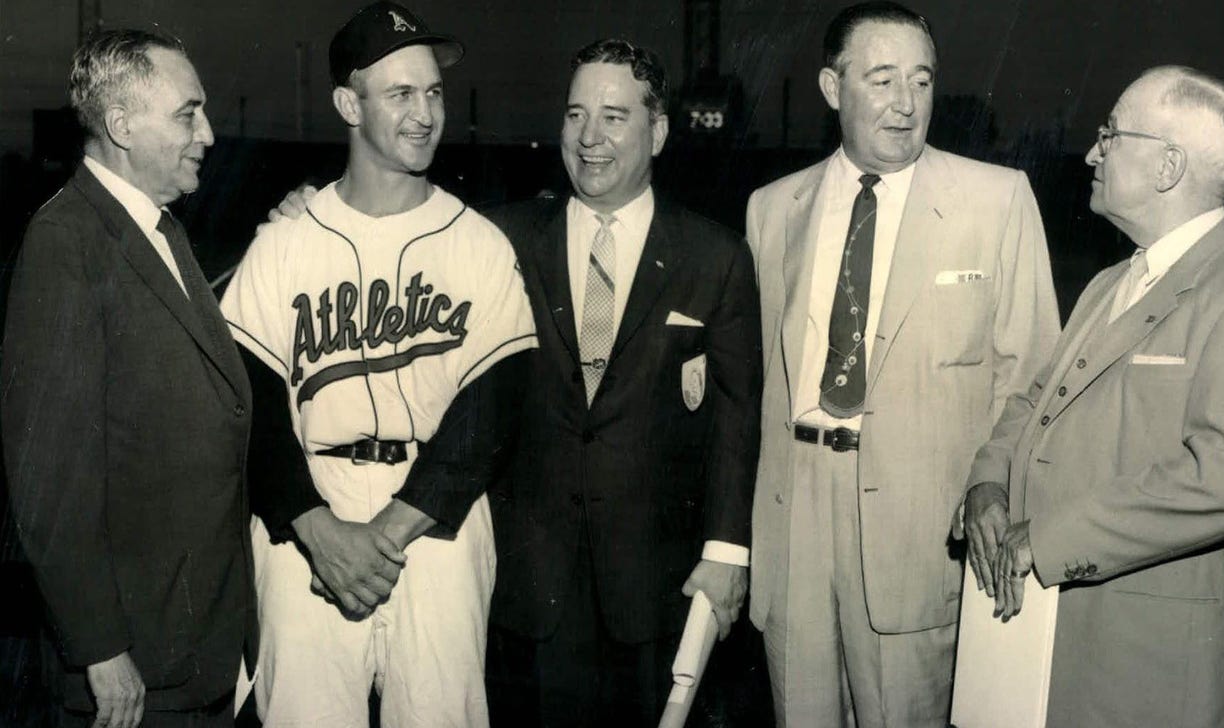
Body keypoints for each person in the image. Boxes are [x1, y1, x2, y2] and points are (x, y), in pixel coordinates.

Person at [218, 2, 536, 726]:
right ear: (346, 105)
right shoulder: (286, 242)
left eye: (434, 93)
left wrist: (384, 536)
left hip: (435, 521)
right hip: (307, 514)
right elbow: (253, 405)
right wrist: (321, 533)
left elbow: (491, 416)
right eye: (400, 94)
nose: (425, 113)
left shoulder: (479, 244)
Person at [744, 2, 1060, 725]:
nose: (906, 103)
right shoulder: (771, 209)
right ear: (832, 88)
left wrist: (994, 489)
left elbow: (1034, 377)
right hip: (794, 517)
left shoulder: (997, 200)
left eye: (921, 81)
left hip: (919, 530)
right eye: (882, 79)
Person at [960, 65, 1224, 728]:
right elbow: (1032, 403)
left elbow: (1223, 477)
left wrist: (1044, 540)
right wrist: (986, 486)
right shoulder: (1110, 282)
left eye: (1110, 135)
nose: (1092, 152)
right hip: (1047, 653)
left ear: (1168, 166)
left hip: (1151, 668)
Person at [483, 39, 762, 727]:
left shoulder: (714, 258)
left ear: (658, 131)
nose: (589, 139)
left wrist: (726, 553)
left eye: (613, 117)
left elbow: (735, 416)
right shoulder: (503, 240)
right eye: (576, 116)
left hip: (656, 585)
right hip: (527, 586)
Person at [2, 29, 255, 728]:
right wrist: (100, 647)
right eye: (187, 113)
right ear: (121, 125)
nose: (207, 132)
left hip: (190, 649)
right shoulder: (66, 242)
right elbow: (47, 480)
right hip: (132, 669)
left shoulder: (161, 229)